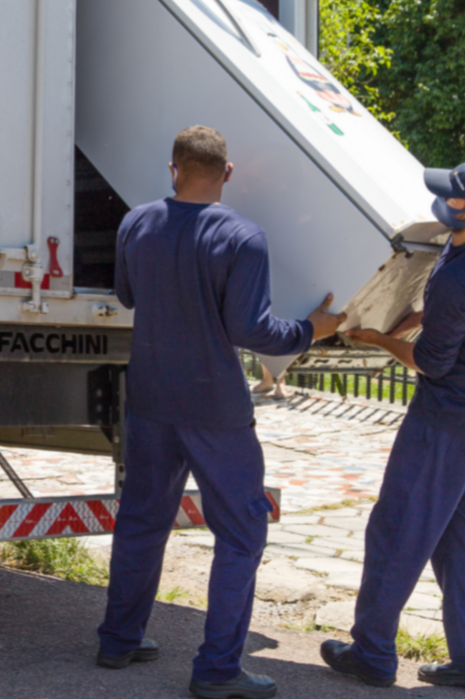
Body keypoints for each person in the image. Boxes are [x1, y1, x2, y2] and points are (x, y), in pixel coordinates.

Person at [97, 125, 345, 699]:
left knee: (141, 519)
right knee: (240, 532)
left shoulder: (137, 223)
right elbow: (252, 331)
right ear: (227, 174)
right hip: (214, 407)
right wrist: (315, 330)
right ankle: (216, 670)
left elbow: (127, 296)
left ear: (173, 168)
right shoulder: (243, 237)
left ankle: (118, 640)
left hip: (152, 399)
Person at [319, 157, 465, 695]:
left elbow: (432, 362)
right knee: (462, 541)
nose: (443, 203)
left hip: (444, 425)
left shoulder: (463, 273)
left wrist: (379, 339)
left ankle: (371, 653)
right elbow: (459, 316)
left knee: (396, 532)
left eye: (454, 200)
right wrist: (416, 317)